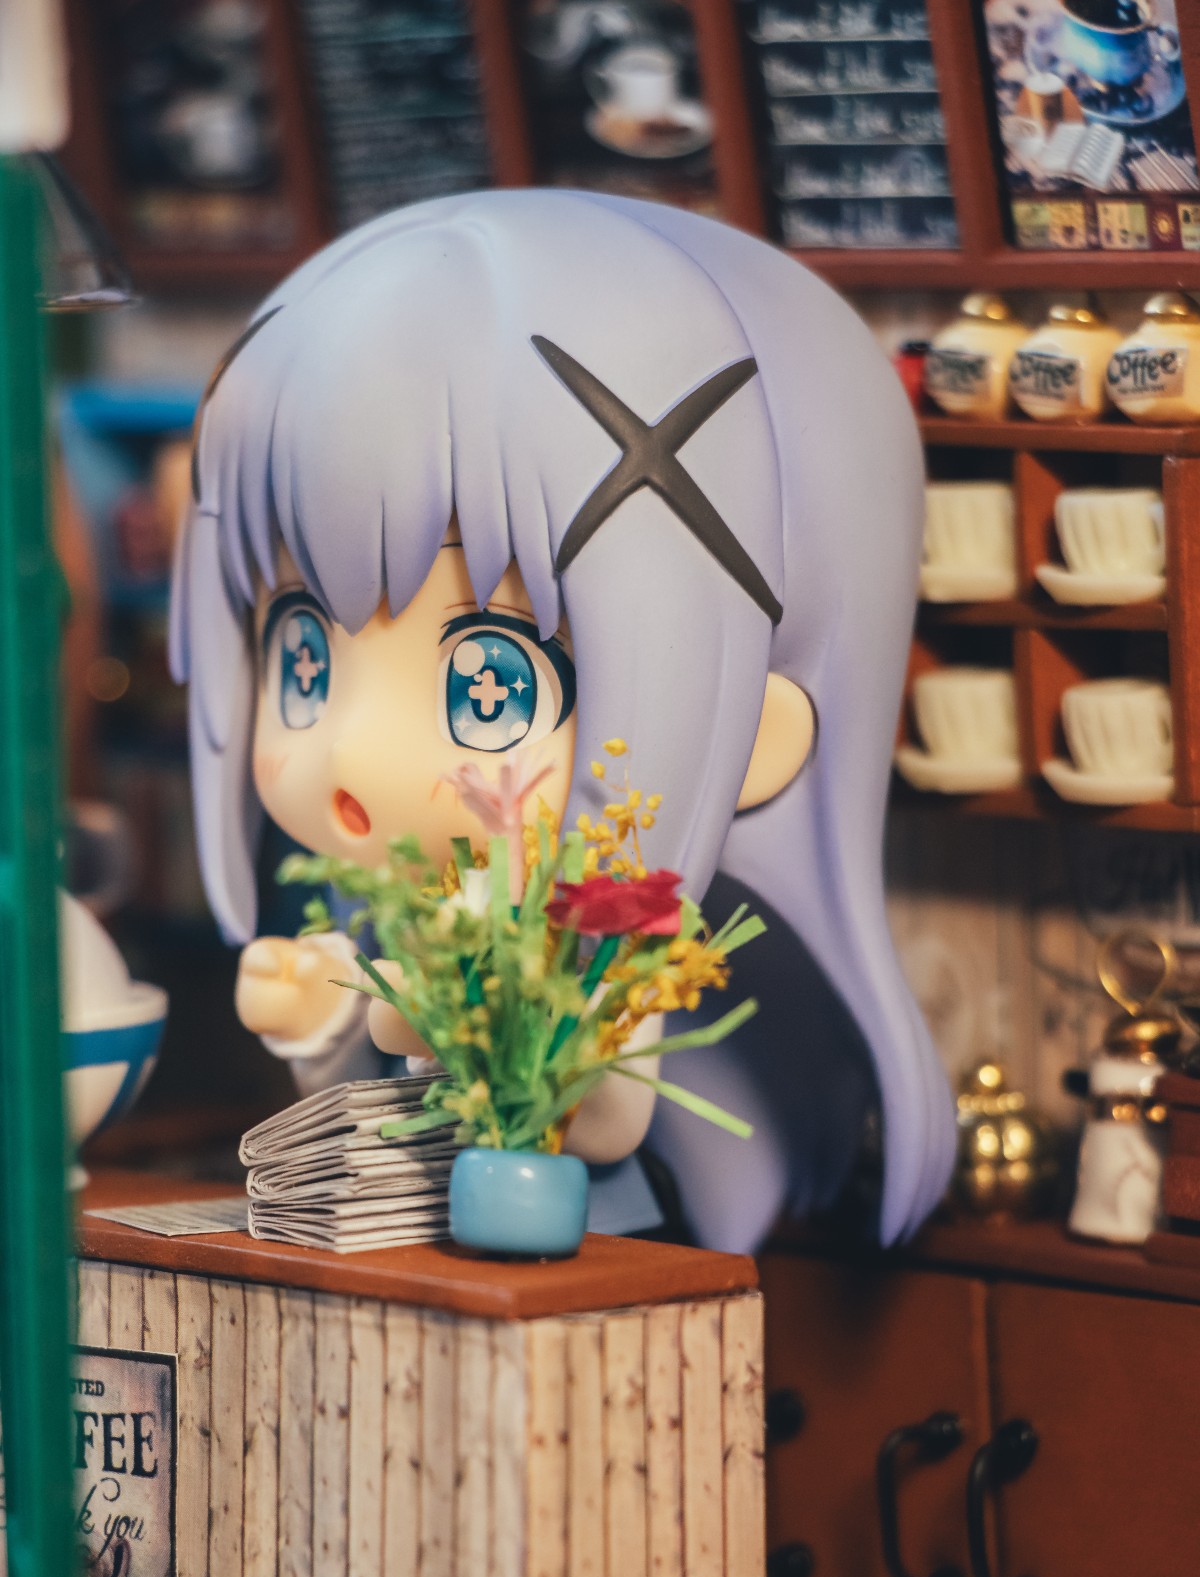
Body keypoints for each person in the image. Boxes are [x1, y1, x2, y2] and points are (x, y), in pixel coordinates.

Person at [170, 188, 954, 1250]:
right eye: (303, 658)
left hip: (596, 1258)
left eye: (490, 684)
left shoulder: (618, 932)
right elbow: (377, 1115)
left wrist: (437, 1016)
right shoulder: (429, 902)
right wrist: (324, 1025)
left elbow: (602, 1114)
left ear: (755, 733)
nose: (348, 749)